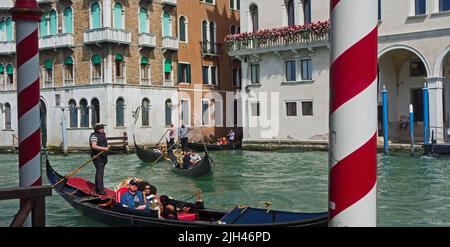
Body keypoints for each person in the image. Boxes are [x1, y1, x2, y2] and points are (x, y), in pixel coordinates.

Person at [89, 123, 109, 195]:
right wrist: (104, 148)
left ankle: (98, 188)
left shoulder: (102, 134)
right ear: (97, 129)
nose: (103, 129)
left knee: (100, 173)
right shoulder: (94, 136)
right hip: (97, 157)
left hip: (103, 157)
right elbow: (94, 146)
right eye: (101, 128)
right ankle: (100, 191)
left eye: (103, 127)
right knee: (99, 173)